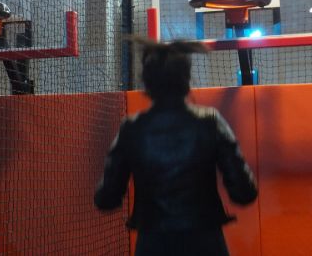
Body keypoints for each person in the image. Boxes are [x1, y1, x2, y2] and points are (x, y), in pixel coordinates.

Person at [94, 37, 257, 256]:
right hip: (205, 241)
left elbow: (107, 199)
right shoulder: (209, 122)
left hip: (153, 243)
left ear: (147, 83)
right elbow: (244, 192)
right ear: (186, 79)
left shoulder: (132, 129)